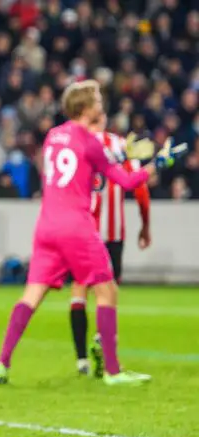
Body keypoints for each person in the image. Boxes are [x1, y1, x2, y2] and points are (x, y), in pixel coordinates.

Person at [0, 80, 186, 387]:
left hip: (46, 225)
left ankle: (2, 363)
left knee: (32, 294)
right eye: (96, 100)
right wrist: (157, 164)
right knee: (108, 291)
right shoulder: (91, 142)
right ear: (85, 107)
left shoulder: (53, 136)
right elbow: (126, 181)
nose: (100, 104)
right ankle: (113, 370)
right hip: (76, 226)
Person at [70, 116, 154, 377]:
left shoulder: (75, 144)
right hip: (113, 234)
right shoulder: (120, 145)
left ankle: (82, 360)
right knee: (109, 293)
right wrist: (145, 226)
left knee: (80, 289)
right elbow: (140, 190)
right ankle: (101, 340)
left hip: (83, 231)